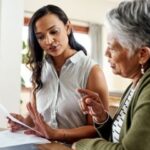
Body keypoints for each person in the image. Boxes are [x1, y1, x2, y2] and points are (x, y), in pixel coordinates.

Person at [8, 5, 109, 144]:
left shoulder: (92, 71)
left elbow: (98, 129)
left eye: (54, 32)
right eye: (41, 37)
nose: (48, 41)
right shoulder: (39, 70)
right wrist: (23, 122)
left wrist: (56, 134)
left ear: (68, 27)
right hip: (40, 146)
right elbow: (35, 118)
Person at [72, 0, 150, 149]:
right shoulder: (134, 84)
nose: (106, 53)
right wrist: (101, 117)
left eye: (112, 48)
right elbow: (118, 139)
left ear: (142, 54)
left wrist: (81, 146)